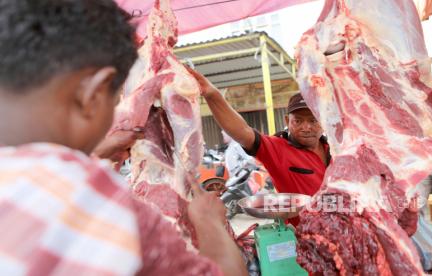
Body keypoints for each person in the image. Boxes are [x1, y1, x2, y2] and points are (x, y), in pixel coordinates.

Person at [0, 1, 246, 275]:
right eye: (115, 98)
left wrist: (100, 149)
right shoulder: (109, 211)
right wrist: (209, 222)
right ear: (93, 94)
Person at [189, 70, 330, 200]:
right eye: (298, 121)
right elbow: (243, 132)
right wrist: (212, 94)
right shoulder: (278, 148)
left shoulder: (336, 150)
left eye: (313, 120)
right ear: (287, 121)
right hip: (300, 227)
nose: (306, 127)